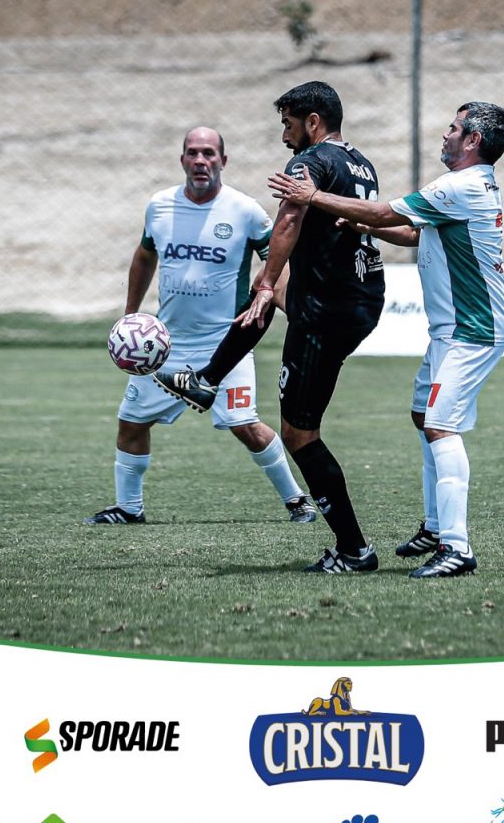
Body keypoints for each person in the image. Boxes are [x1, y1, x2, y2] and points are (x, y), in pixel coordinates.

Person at [269, 102, 504, 578]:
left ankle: (457, 547)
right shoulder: (469, 186)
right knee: (424, 417)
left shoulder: (460, 185)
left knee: (441, 425)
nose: (445, 134)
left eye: (454, 128)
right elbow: (415, 232)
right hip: (453, 328)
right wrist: (368, 227)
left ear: (473, 141)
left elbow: (384, 210)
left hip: (473, 328)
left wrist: (313, 195)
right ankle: (436, 527)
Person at [157, 83, 386, 574]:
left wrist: (265, 283)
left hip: (328, 308)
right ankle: (207, 380)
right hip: (361, 296)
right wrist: (270, 284)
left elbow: (288, 219)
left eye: (288, 124)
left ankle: (354, 550)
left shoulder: (309, 161)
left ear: (313, 121)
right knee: (273, 290)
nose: (284, 135)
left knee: (299, 434)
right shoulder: (360, 162)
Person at [85, 126, 317, 526]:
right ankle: (128, 508)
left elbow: (278, 261)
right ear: (182, 160)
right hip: (164, 347)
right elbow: (144, 256)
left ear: (222, 161)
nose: (200, 160)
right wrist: (131, 313)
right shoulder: (160, 206)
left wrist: (284, 304)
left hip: (226, 346)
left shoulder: (245, 211)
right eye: (192, 152)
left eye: (209, 153)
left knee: (245, 425)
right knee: (131, 423)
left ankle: (298, 501)